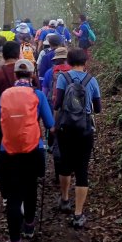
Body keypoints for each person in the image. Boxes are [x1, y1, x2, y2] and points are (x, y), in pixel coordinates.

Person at [0, 59, 54, 242]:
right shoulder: (37, 94)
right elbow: (50, 123)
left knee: (13, 197)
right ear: (31, 75)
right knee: (30, 187)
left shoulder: (4, 95)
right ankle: (29, 225)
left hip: (7, 152)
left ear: (15, 76)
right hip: (32, 150)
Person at [54, 48, 101, 229]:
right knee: (82, 169)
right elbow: (97, 108)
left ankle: (65, 200)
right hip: (84, 129)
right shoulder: (92, 80)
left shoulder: (62, 78)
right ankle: (78, 213)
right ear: (85, 62)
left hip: (65, 128)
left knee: (65, 164)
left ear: (69, 61)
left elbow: (57, 104)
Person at [42, 46, 71, 183]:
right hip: (72, 112)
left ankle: (58, 174)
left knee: (57, 142)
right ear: (66, 59)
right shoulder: (73, 72)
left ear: (55, 59)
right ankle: (70, 171)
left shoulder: (49, 72)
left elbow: (44, 91)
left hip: (55, 111)